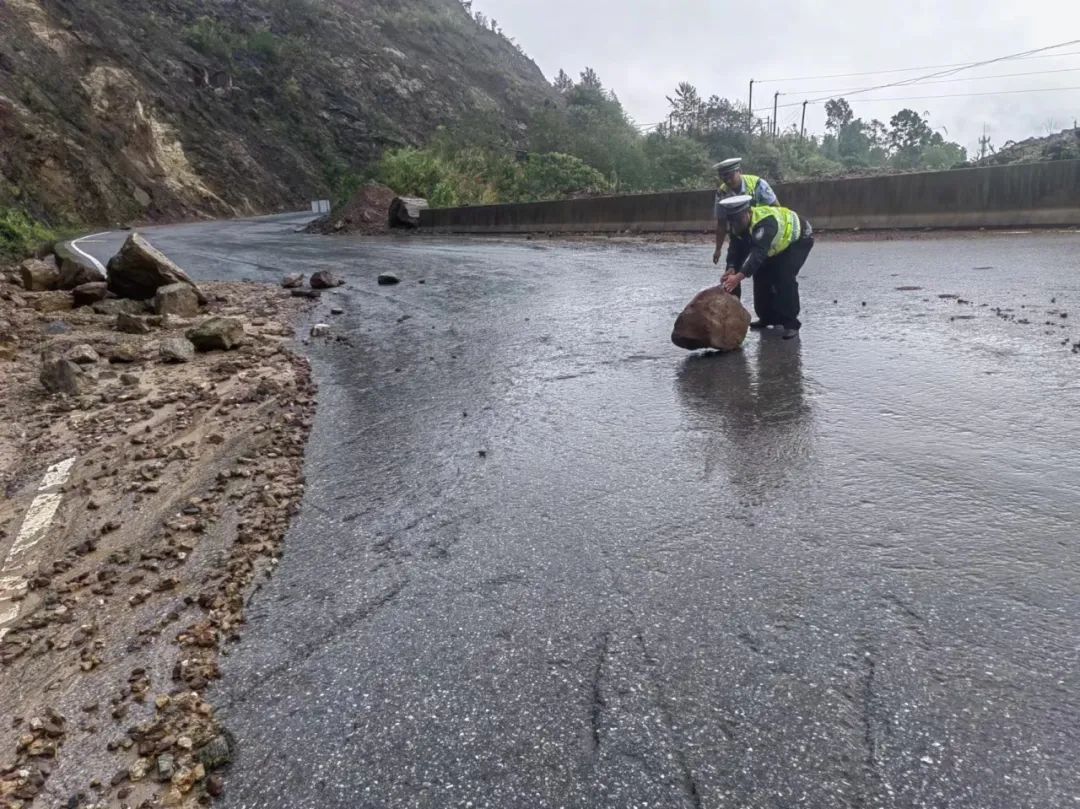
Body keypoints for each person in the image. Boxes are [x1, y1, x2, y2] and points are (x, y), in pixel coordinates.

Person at [718, 194, 814, 340]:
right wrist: (731, 267)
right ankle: (767, 317)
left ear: (748, 213)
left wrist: (737, 277)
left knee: (784, 276)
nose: (736, 225)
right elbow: (735, 248)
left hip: (799, 239)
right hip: (775, 244)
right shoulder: (736, 225)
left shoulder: (765, 224)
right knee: (761, 275)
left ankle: (791, 323)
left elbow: (758, 254)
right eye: (732, 222)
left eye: (738, 220)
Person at [711, 157, 777, 267]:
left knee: (761, 272)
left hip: (761, 230)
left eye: (730, 176)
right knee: (731, 270)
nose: (727, 181)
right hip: (738, 232)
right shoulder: (722, 192)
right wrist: (718, 249)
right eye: (723, 178)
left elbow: (777, 209)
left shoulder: (758, 184)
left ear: (739, 172)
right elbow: (721, 224)